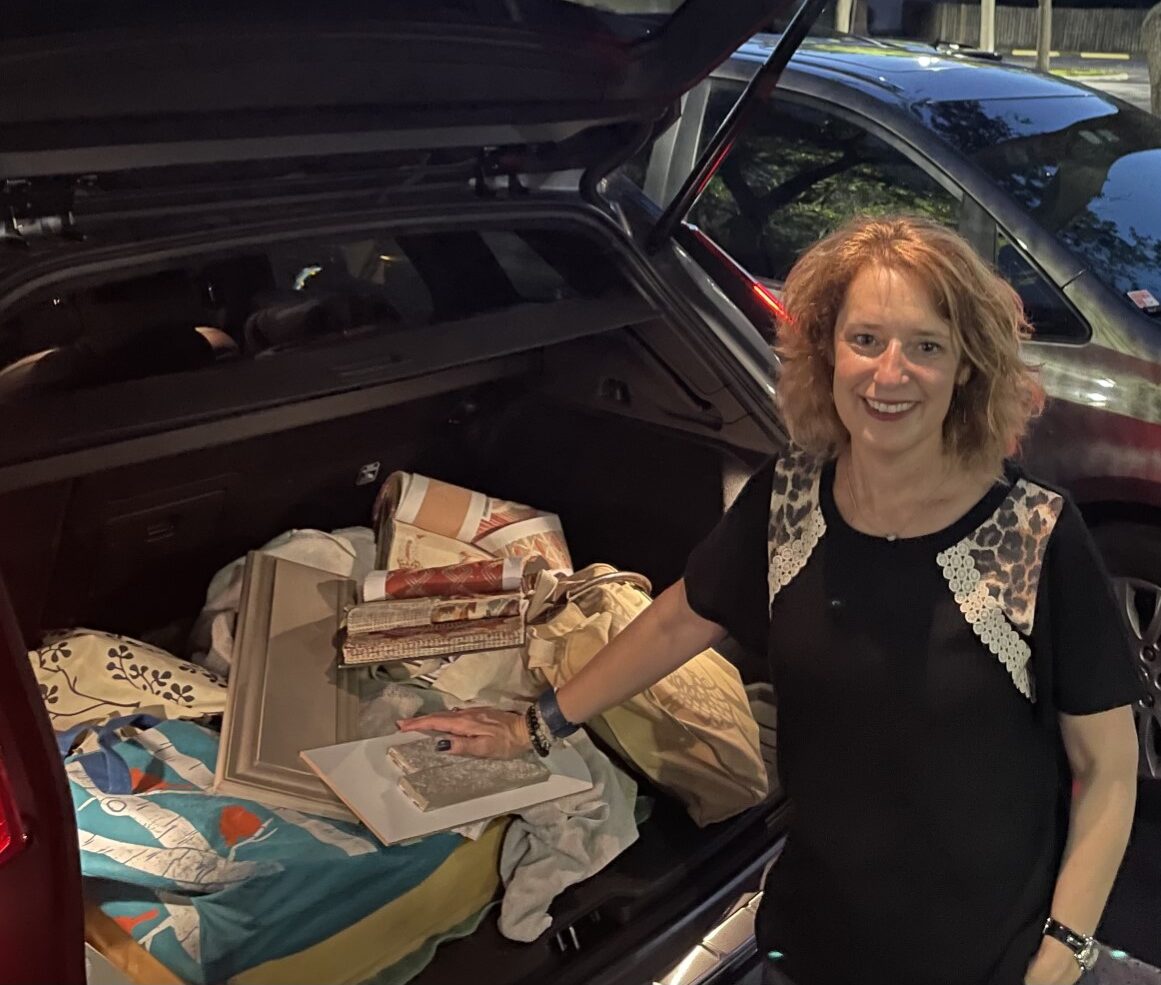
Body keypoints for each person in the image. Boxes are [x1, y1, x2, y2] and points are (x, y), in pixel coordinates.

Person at [399, 215, 1141, 985]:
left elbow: (1108, 769)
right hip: (812, 939)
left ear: (965, 368)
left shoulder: (1034, 535)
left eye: (925, 345)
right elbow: (683, 615)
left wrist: (1063, 951)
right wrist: (536, 723)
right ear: (826, 351)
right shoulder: (789, 497)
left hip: (986, 958)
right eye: (865, 340)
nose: (889, 374)